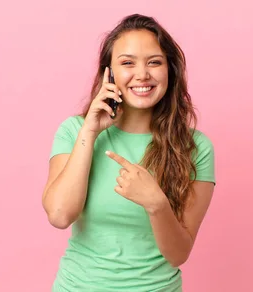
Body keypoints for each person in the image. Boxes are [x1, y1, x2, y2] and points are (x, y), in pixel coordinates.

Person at [42, 13, 216, 292]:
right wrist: (90, 131)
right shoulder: (74, 130)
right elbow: (60, 215)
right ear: (108, 72)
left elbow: (178, 253)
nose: (142, 74)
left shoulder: (196, 147)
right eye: (127, 63)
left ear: (170, 71)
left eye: (154, 62)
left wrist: (156, 204)